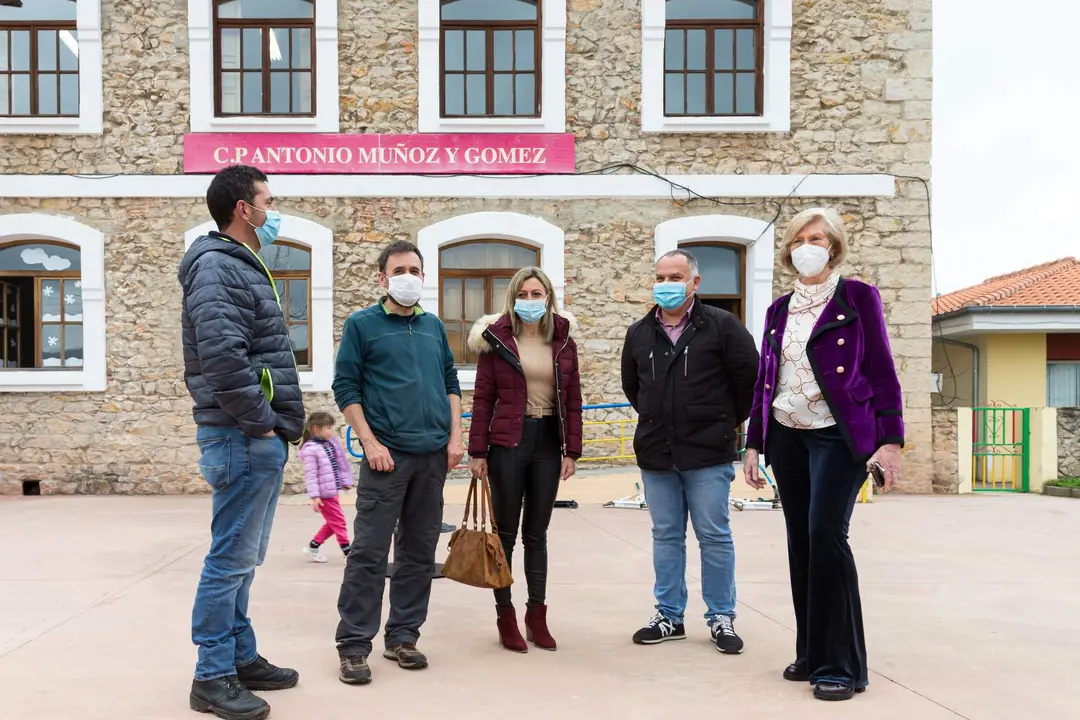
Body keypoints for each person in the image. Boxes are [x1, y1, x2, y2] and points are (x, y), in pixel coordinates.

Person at [742, 207, 904, 702]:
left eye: (818, 238)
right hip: (787, 434)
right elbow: (766, 379)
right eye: (799, 238)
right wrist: (754, 441)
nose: (807, 245)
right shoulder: (777, 310)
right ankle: (812, 651)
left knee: (825, 537)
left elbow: (880, 367)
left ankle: (841, 664)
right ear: (790, 248)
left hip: (839, 433)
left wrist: (891, 438)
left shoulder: (858, 297)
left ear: (833, 247)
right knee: (800, 542)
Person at [179, 164, 305, 720]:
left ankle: (241, 655)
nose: (273, 211)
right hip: (240, 435)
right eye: (267, 201)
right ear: (242, 209)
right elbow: (224, 359)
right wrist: (262, 423)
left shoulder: (239, 267)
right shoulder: (216, 268)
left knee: (245, 558)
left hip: (251, 435)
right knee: (229, 558)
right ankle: (211, 675)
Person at [332, 240, 464, 685]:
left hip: (432, 458)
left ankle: (403, 637)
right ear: (382, 278)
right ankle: (353, 646)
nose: (409, 276)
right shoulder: (362, 325)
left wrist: (455, 434)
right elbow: (346, 388)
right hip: (386, 457)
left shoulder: (433, 327)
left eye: (415, 269)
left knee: (418, 552)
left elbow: (450, 380)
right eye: (400, 269)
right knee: (369, 552)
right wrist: (369, 443)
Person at [620, 249, 759, 654]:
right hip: (657, 451)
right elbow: (635, 387)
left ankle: (721, 616)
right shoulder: (639, 332)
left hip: (707, 452)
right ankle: (668, 615)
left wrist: (718, 421)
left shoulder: (722, 326)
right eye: (660, 276)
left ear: (694, 282)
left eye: (675, 276)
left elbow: (747, 381)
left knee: (714, 536)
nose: (666, 284)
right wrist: (660, 415)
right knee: (666, 536)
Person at [467, 267, 583, 653]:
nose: (530, 301)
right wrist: (478, 452)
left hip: (549, 441)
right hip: (508, 443)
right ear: (513, 298)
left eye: (538, 294)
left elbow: (574, 400)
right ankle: (506, 617)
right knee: (506, 534)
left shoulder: (563, 339)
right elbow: (483, 398)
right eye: (524, 294)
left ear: (549, 297)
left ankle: (538, 615)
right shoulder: (496, 339)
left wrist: (573, 450)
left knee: (538, 532)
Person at [299, 411, 355, 563]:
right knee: (339, 522)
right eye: (328, 428)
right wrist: (315, 496)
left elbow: (339, 464)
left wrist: (344, 481)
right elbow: (311, 475)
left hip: (332, 491)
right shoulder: (311, 450)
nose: (331, 431)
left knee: (333, 522)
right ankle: (347, 551)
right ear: (316, 428)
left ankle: (313, 545)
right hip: (324, 494)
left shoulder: (329, 444)